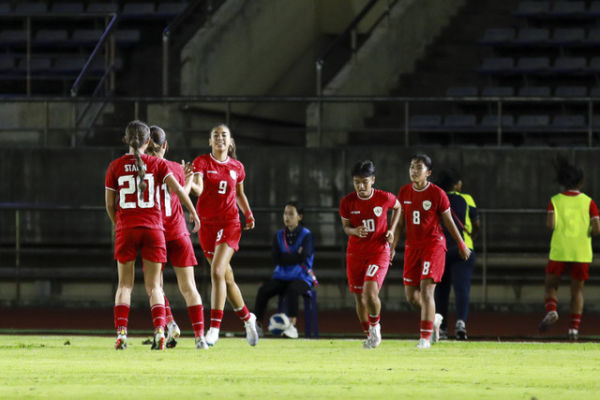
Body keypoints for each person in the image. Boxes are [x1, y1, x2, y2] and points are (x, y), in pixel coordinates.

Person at [104, 120, 200, 350]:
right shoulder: (158, 165)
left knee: (124, 285)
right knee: (154, 287)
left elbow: (109, 205)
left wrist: (120, 224)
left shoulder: (115, 166)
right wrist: (194, 212)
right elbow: (177, 191)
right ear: (148, 142)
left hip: (126, 229)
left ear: (126, 140)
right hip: (155, 230)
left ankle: (121, 336)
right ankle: (160, 332)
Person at [189, 123, 259, 347]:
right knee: (226, 279)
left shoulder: (237, 166)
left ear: (230, 142)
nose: (220, 138)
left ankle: (214, 329)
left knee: (217, 271)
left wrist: (248, 213)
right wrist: (188, 181)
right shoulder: (202, 162)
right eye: (215, 135)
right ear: (210, 141)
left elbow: (239, 194)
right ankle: (248, 319)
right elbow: (199, 189)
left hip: (229, 223)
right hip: (206, 226)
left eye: (224, 135)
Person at [392, 154, 471, 349]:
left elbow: (449, 222)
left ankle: (425, 337)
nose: (413, 171)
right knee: (411, 296)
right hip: (412, 248)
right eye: (411, 167)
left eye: (418, 167)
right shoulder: (404, 192)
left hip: (433, 246)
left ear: (428, 173)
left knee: (427, 290)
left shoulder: (437, 193)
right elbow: (400, 223)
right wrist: (392, 247)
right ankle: (434, 318)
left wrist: (461, 244)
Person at [146, 125, 208, 349]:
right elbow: (182, 190)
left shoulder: (139, 168)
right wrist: (189, 178)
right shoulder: (173, 167)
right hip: (178, 231)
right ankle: (200, 337)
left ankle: (169, 324)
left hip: (154, 233)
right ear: (165, 146)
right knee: (189, 287)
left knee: (155, 286)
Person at [339, 160, 401, 349]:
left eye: (364, 181)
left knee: (370, 291)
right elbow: (345, 227)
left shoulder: (383, 198)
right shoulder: (347, 202)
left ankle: (375, 327)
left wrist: (391, 230)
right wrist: (354, 231)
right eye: (357, 181)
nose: (360, 186)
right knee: (359, 297)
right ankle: (369, 335)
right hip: (355, 254)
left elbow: (399, 207)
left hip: (378, 252)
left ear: (372, 180)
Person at [539, 156, 600, 340]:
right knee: (577, 291)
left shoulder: (555, 200)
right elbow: (597, 228)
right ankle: (573, 329)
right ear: (580, 181)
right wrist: (586, 231)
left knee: (551, 285)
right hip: (581, 251)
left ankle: (552, 309)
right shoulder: (589, 202)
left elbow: (550, 225)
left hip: (560, 250)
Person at [254, 201, 317, 338]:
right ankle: (257, 326)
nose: (287, 217)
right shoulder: (278, 235)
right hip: (281, 276)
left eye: (291, 214)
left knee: (292, 290)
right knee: (263, 290)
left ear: (299, 216)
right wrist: (295, 255)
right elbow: (276, 259)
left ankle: (291, 326)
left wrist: (286, 257)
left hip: (302, 277)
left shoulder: (307, 235)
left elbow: (303, 257)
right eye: (285, 213)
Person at [434, 168, 479, 340]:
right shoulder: (467, 198)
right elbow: (476, 223)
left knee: (441, 290)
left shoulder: (436, 197)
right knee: (462, 287)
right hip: (464, 248)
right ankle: (461, 323)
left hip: (441, 249)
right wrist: (473, 236)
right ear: (457, 184)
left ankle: (442, 327)